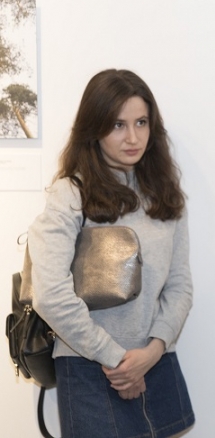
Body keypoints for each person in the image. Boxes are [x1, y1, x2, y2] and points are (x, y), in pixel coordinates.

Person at [28, 69, 195, 437]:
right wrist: (118, 361)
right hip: (89, 366)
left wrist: (152, 352)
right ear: (94, 128)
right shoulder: (70, 194)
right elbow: (50, 295)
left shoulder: (166, 196)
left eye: (141, 122)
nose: (133, 137)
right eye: (118, 125)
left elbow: (180, 286)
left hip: (155, 362)